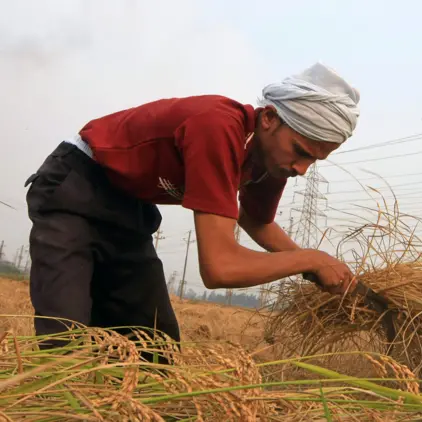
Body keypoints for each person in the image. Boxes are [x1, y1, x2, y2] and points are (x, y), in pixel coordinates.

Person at [24, 62, 360, 351]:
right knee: (64, 342)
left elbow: (258, 221)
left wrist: (320, 272)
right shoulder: (218, 127)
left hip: (128, 208)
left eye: (313, 161)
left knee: (154, 349)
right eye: (300, 151)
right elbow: (219, 267)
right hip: (77, 185)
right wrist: (311, 260)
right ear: (269, 118)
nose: (301, 169)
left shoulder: (272, 160)